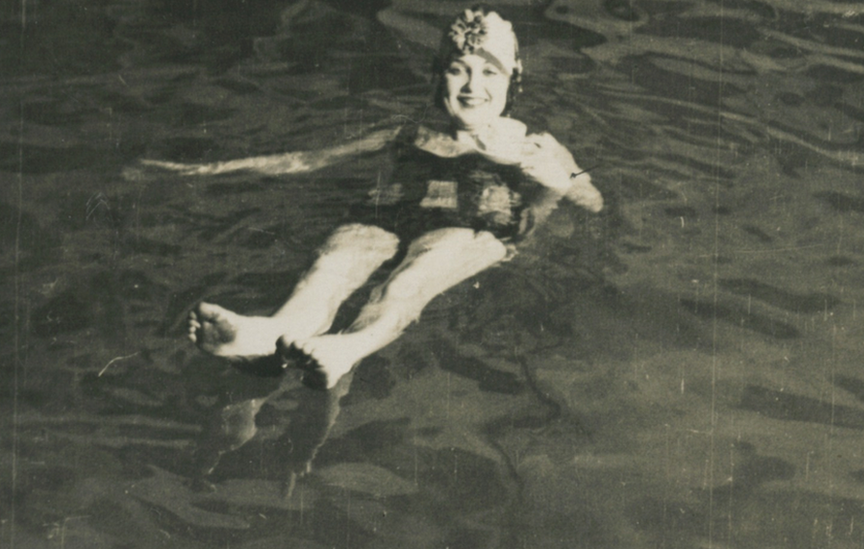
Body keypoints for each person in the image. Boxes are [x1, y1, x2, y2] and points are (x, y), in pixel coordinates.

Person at [187, 5, 603, 391]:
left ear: (512, 79)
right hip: (388, 213)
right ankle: (266, 333)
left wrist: (558, 180)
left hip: (474, 226)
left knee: (409, 282)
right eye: (459, 70)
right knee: (330, 266)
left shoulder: (536, 145)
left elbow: (593, 201)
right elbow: (307, 161)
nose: (473, 86)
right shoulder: (407, 132)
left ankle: (348, 348)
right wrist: (209, 169)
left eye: (489, 74)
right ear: (438, 74)